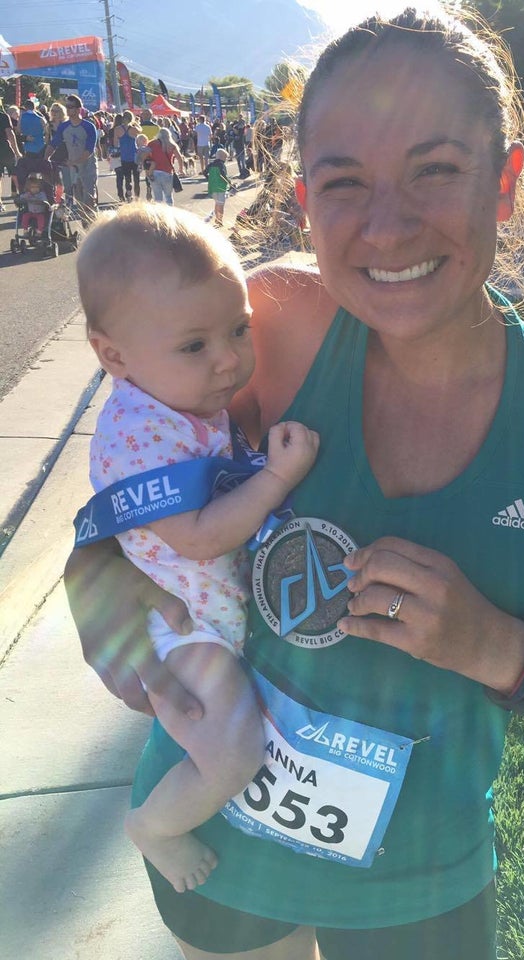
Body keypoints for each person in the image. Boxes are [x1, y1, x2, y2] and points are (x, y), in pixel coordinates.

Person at [65, 9, 524, 960]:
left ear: (506, 179)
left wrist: (502, 652)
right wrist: (102, 603)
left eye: (436, 169)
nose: (387, 225)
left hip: (420, 887)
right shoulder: (264, 324)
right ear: (305, 197)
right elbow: (127, 473)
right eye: (344, 182)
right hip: (217, 847)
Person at [76, 202, 319, 894]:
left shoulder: (179, 401)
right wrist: (276, 477)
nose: (228, 360)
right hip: (187, 625)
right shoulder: (140, 431)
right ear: (113, 354)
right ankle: (156, 826)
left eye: (238, 329)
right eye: (195, 346)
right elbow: (201, 536)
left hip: (208, 610)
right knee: (234, 752)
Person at [48, 94, 98, 210]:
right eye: (67, 106)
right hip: (73, 168)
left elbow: (89, 150)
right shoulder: (64, 127)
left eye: (71, 106)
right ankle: (86, 225)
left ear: (78, 109)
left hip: (88, 167)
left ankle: (93, 220)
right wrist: (46, 158)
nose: (68, 109)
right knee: (79, 201)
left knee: (88, 198)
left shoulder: (89, 126)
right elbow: (53, 144)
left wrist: (75, 161)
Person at [147, 127, 184, 205]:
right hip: (167, 172)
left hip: (155, 172)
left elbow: (146, 155)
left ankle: (159, 214)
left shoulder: (152, 143)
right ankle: (169, 212)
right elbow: (180, 158)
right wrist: (181, 169)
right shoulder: (172, 145)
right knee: (168, 196)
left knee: (158, 198)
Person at [114, 109, 141, 202]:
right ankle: (137, 197)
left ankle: (129, 193)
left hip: (124, 156)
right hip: (134, 155)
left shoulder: (117, 129)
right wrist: (135, 123)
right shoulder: (134, 129)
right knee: (136, 178)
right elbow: (140, 131)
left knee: (127, 177)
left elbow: (115, 143)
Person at [206, 147, 231, 226]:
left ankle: (217, 219)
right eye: (225, 158)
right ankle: (219, 220)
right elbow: (223, 174)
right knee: (221, 205)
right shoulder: (221, 165)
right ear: (223, 157)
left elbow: (204, 172)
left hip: (212, 187)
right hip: (221, 187)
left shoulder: (211, 164)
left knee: (217, 203)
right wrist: (228, 181)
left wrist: (209, 178)